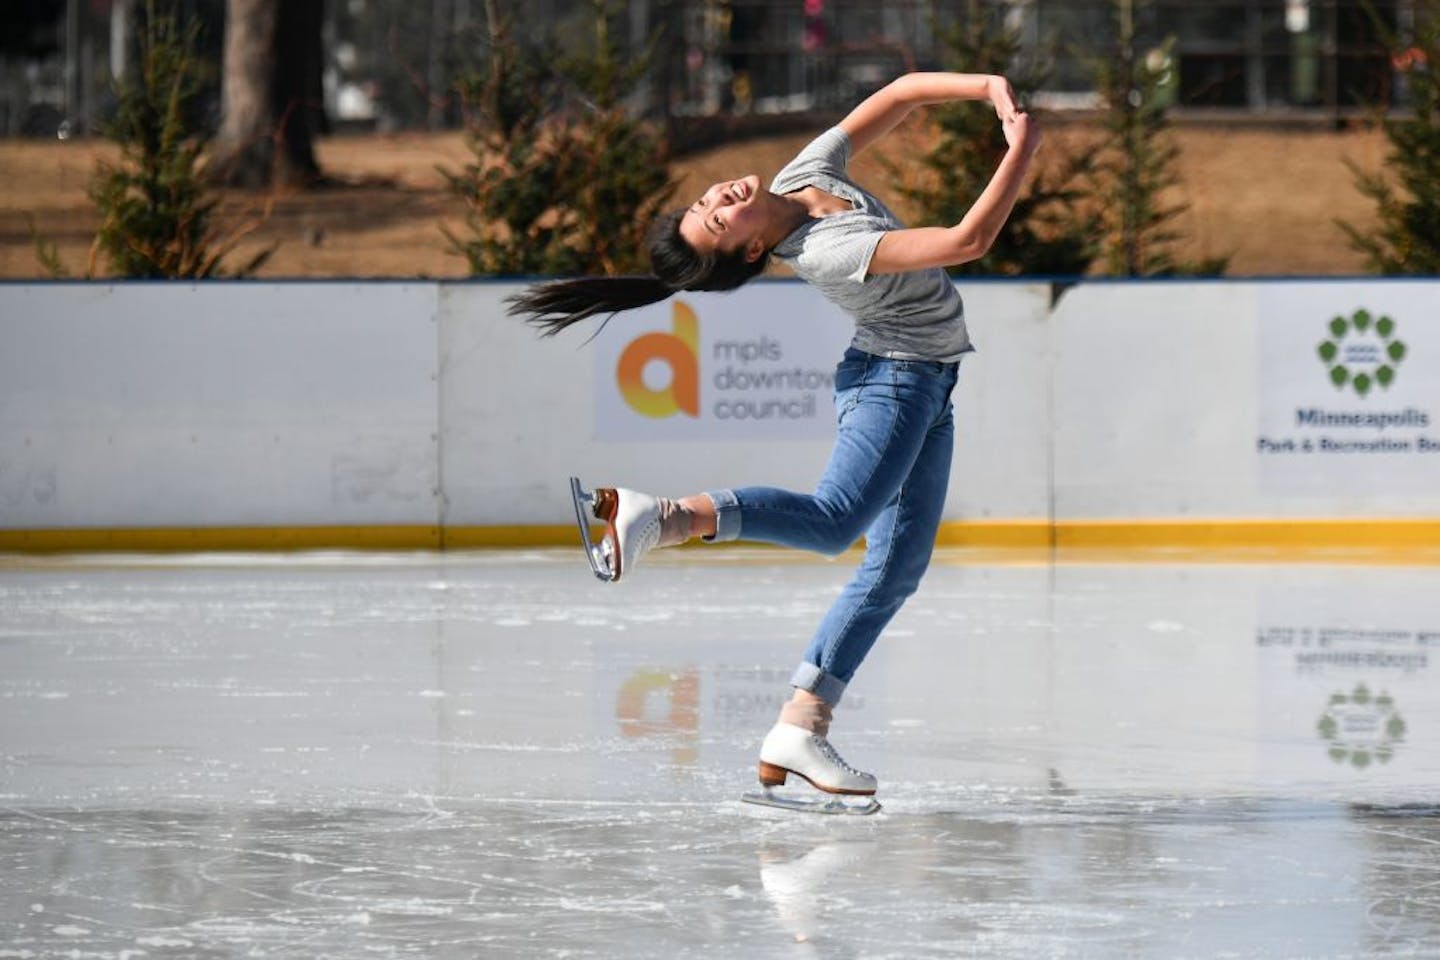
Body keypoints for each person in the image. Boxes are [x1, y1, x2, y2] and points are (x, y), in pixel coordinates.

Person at [509, 72, 1041, 803]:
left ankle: (801, 726)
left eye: (708, 202)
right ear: (755, 253)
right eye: (720, 222)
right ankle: (661, 517)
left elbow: (901, 94)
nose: (721, 198)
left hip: (928, 383)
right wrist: (1021, 149)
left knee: (895, 569)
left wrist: (986, 87)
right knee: (832, 525)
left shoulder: (806, 173)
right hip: (895, 380)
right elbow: (967, 240)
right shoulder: (824, 251)